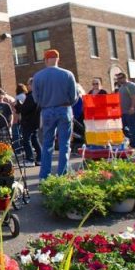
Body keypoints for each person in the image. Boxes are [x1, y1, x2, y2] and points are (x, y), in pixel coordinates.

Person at [31, 49, 77, 179]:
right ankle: (62, 175)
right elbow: (73, 97)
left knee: (47, 144)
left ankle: (44, 176)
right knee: (64, 144)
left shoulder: (38, 76)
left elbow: (36, 98)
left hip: (47, 110)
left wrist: (46, 103)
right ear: (58, 59)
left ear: (45, 60)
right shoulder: (68, 74)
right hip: (64, 109)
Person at [115, 72, 135, 149]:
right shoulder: (121, 87)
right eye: (118, 78)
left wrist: (132, 107)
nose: (119, 80)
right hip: (123, 112)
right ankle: (132, 140)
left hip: (131, 111)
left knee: (132, 127)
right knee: (123, 128)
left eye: (120, 78)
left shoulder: (131, 86)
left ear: (124, 77)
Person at [16, 83, 41, 164]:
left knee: (27, 139)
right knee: (34, 139)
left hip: (29, 121)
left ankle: (30, 159)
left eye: (29, 84)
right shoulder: (36, 95)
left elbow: (25, 109)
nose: (27, 86)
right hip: (34, 121)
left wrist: (18, 105)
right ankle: (40, 158)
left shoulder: (31, 96)